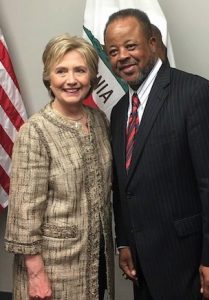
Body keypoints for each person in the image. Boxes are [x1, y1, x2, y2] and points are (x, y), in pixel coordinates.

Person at [104, 8, 209, 300]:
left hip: (191, 266)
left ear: (153, 42)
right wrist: (124, 242)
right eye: (113, 51)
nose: (122, 57)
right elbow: (124, 187)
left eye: (131, 46)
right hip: (143, 268)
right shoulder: (118, 113)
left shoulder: (196, 94)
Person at [5, 34, 114, 300]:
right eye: (61, 71)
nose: (71, 80)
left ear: (92, 77)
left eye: (80, 70)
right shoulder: (36, 131)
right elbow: (24, 213)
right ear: (49, 78)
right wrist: (36, 275)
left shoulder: (99, 121)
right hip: (53, 267)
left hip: (98, 257)